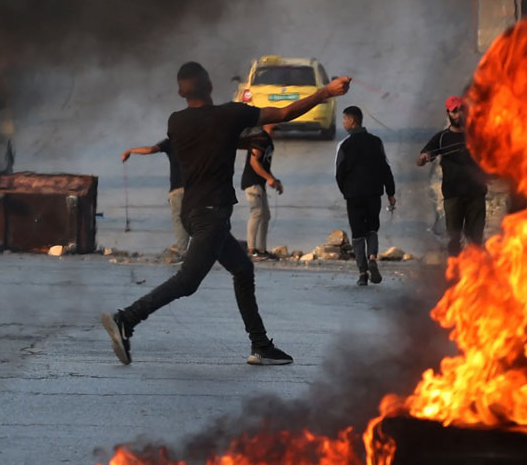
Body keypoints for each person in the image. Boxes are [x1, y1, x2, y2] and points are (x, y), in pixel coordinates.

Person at [102, 62, 351, 366]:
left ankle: (260, 345)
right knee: (187, 281)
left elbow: (208, 141)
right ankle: (127, 318)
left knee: (243, 269)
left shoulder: (176, 121)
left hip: (191, 211)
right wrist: (325, 92)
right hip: (211, 214)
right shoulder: (231, 114)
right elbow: (284, 113)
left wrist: (239, 140)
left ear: (180, 92)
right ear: (210, 86)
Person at [417, 96, 487, 256]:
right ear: (448, 113)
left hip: (476, 194)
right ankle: (455, 267)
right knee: (454, 239)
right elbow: (424, 155)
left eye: (461, 110)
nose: (458, 114)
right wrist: (424, 157)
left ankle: (475, 268)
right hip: (453, 196)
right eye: (454, 111)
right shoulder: (442, 138)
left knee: (475, 240)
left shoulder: (477, 135)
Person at [335, 106, 396, 286]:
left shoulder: (344, 145)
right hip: (373, 193)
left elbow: (339, 173)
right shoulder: (376, 142)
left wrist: (346, 191)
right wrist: (390, 192)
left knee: (357, 233)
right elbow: (385, 168)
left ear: (352, 121)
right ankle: (372, 258)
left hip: (354, 195)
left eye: (345, 119)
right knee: (372, 228)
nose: (343, 122)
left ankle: (362, 273)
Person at [121, 138, 189, 257]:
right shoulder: (198, 139)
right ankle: (190, 247)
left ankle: (183, 251)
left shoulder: (173, 140)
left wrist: (130, 151)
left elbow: (150, 149)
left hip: (179, 190)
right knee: (195, 219)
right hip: (198, 188)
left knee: (179, 219)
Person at [240, 123, 281, 260]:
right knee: (256, 213)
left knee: (265, 215)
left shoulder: (268, 140)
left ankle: (261, 249)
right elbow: (254, 162)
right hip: (252, 182)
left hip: (260, 183)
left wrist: (274, 180)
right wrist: (269, 178)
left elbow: (265, 166)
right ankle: (251, 250)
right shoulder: (260, 139)